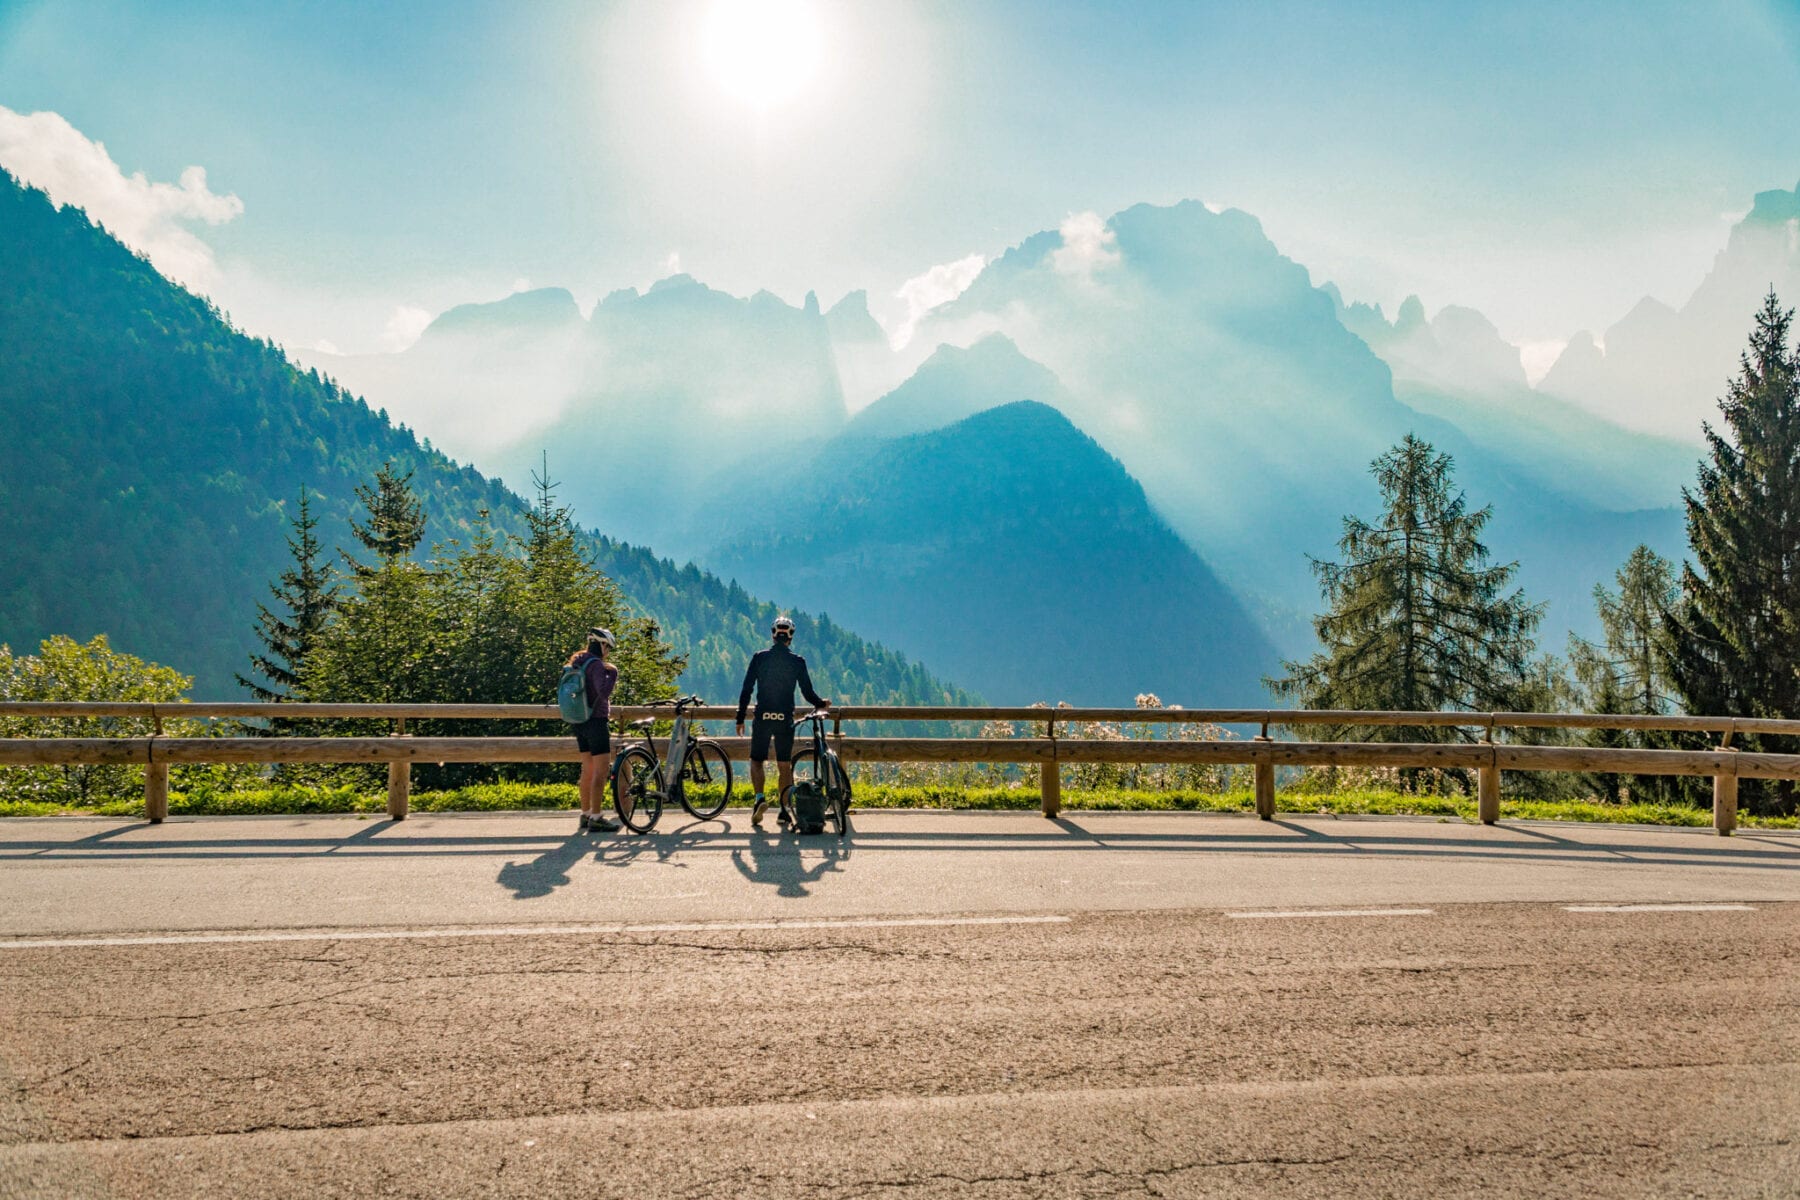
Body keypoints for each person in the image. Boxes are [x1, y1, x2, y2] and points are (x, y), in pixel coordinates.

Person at [736, 615, 830, 827]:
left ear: (772, 634)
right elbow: (807, 693)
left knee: (757, 760)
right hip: (784, 717)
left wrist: (740, 717)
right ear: (790, 637)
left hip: (762, 716)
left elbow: (747, 689)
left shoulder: (759, 658)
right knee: (784, 765)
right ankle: (784, 809)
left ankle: (759, 798)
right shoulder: (797, 662)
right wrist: (821, 703)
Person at [569, 627, 621, 834]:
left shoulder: (578, 661)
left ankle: (586, 813)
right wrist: (613, 672)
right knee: (601, 770)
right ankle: (597, 817)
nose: (608, 651)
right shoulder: (597, 665)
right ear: (601, 645)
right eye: (607, 647)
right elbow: (604, 692)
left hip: (579, 720)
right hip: (596, 720)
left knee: (587, 768)